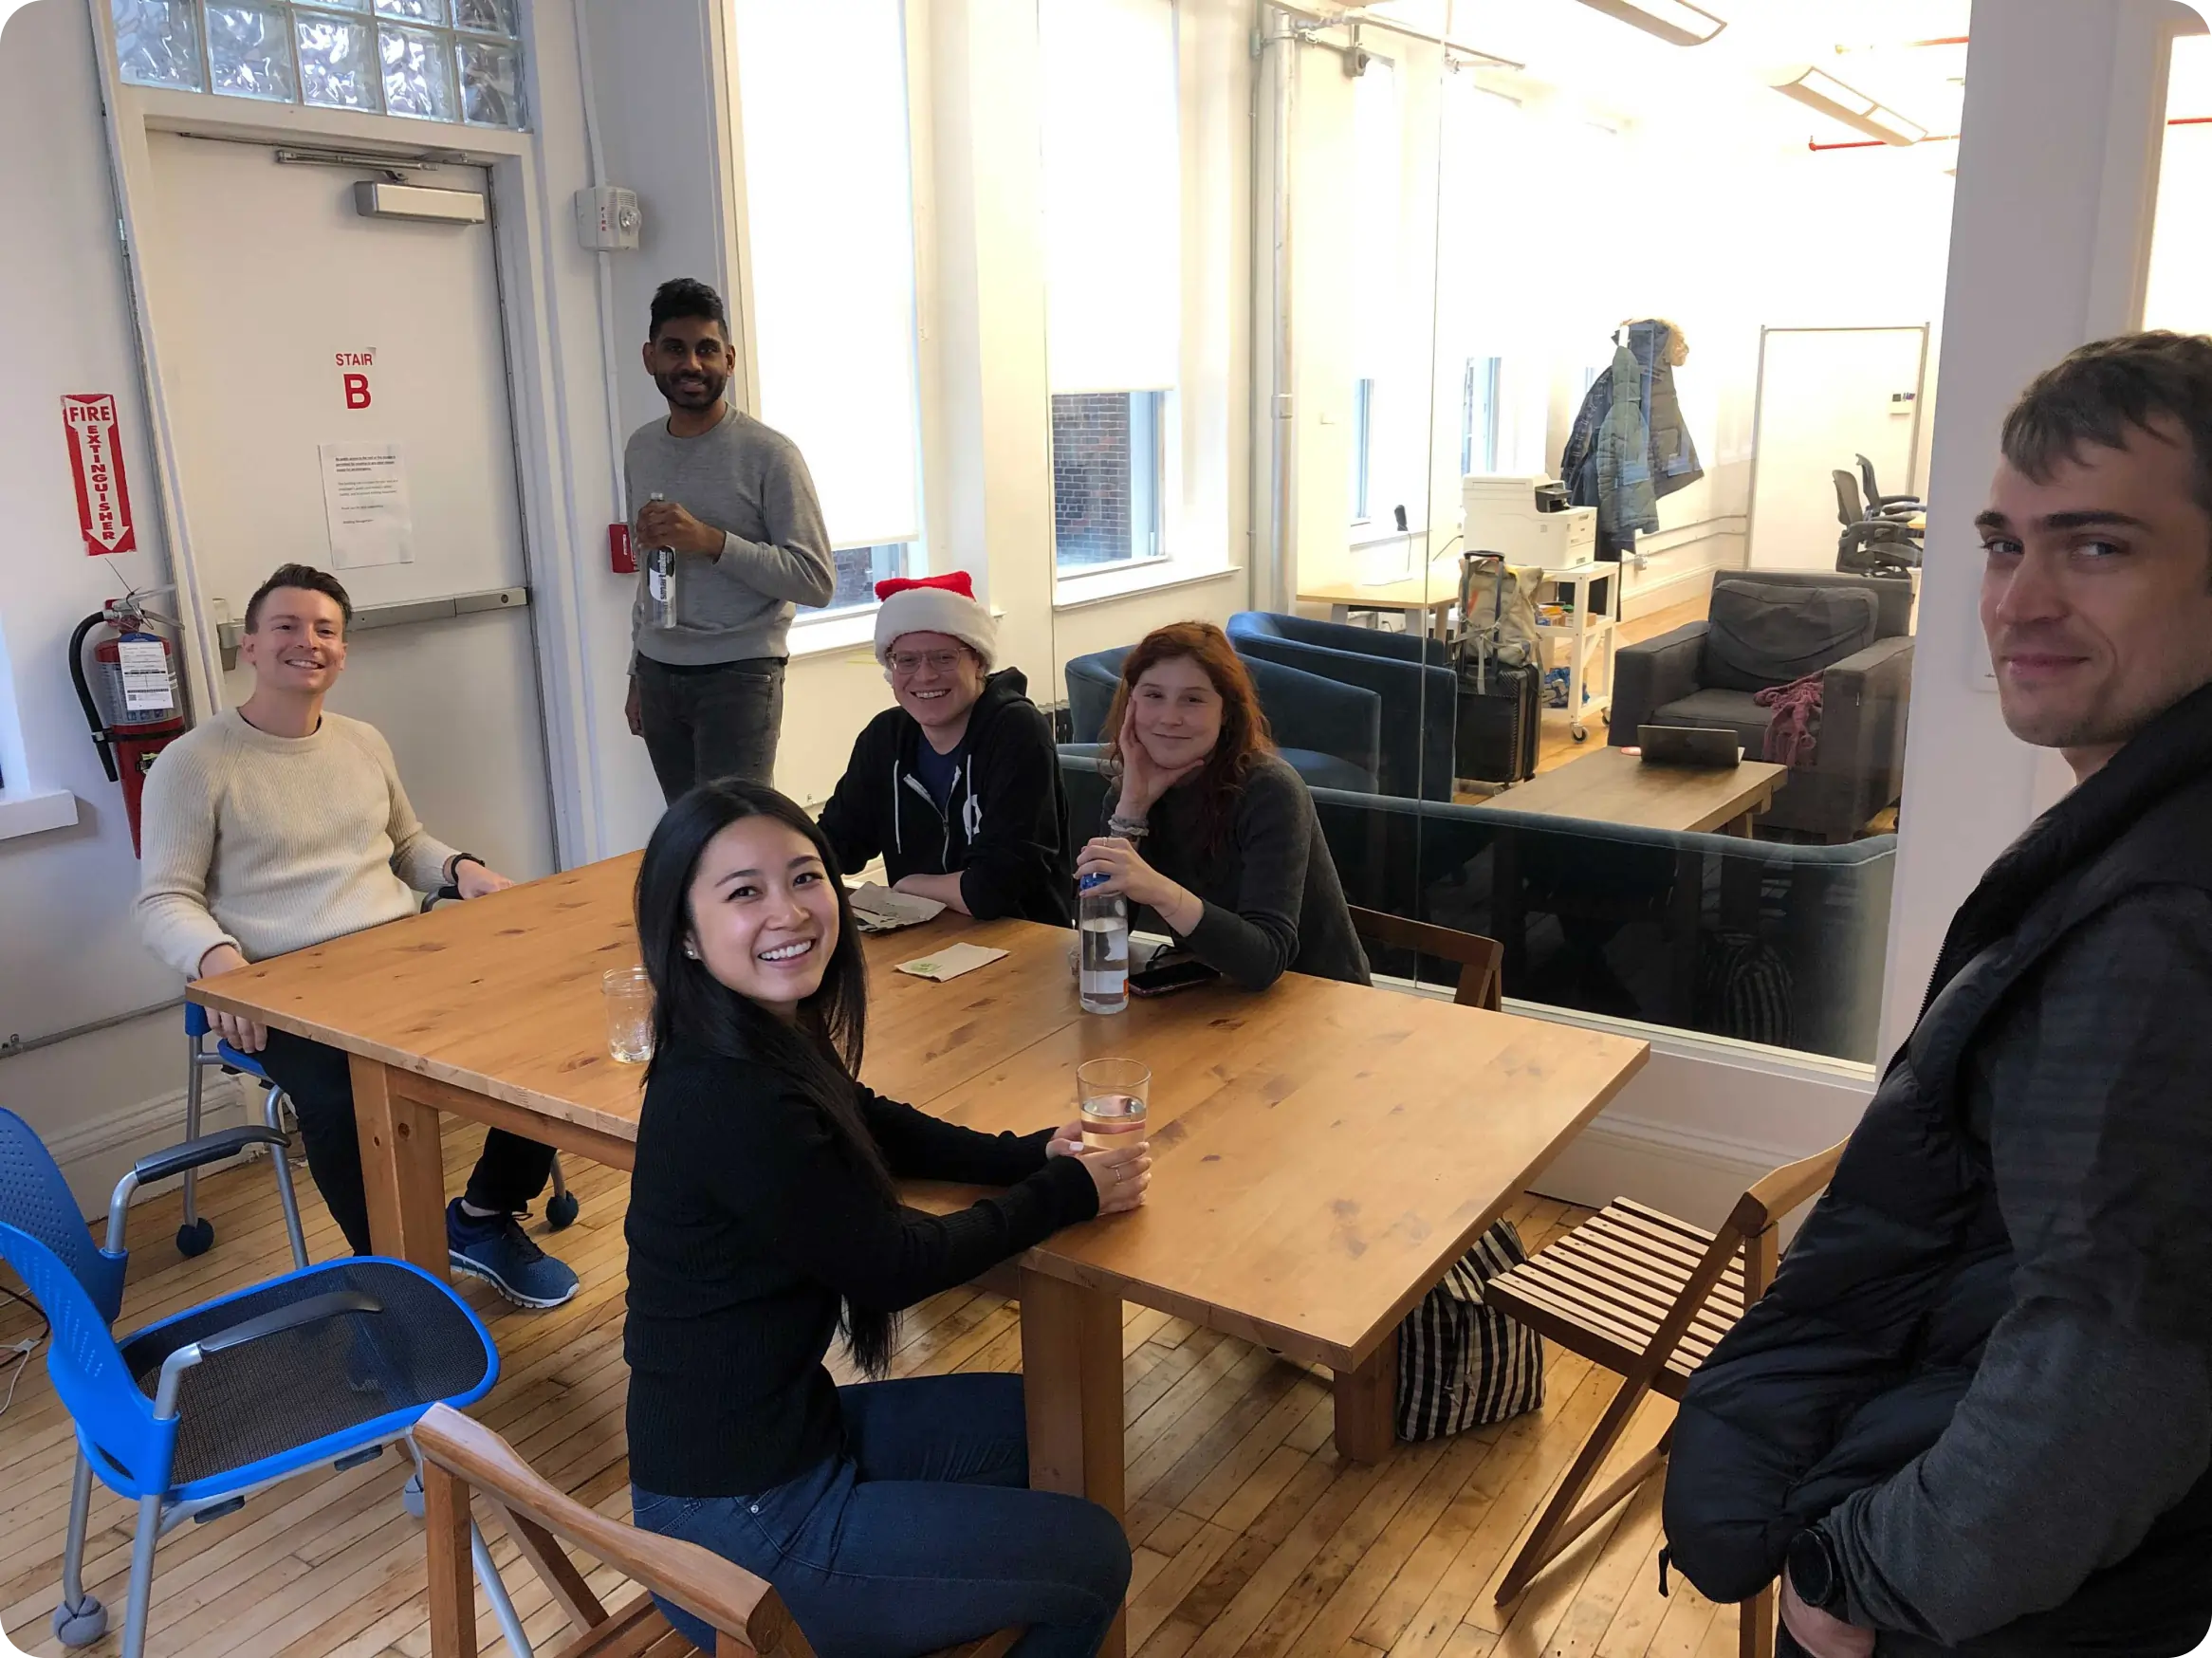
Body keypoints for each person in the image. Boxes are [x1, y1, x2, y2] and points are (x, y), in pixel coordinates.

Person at [1663, 332, 2212, 1658]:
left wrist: (1857, 1585)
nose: (2017, 600)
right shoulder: (2141, 841)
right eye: (2004, 544)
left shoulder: (2163, 923)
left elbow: (2118, 1364)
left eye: (2096, 547)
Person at [622, 780, 1144, 1656]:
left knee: (1056, 1419)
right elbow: (891, 1263)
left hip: (783, 1449)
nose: (788, 911)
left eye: (804, 877)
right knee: (1091, 1558)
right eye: (743, 892)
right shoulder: (726, 1093)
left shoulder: (759, 1031)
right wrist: (1069, 1193)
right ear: (686, 935)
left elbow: (866, 1116)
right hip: (739, 1528)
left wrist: (1024, 1154)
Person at [136, 563, 578, 1308]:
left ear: (342, 652)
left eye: (325, 631)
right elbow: (162, 900)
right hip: (281, 986)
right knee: (346, 1103)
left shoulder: (361, 741)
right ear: (249, 645)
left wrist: (463, 868)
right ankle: (398, 1279)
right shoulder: (194, 763)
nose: (306, 642)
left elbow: (407, 845)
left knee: (536, 1035)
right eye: (285, 626)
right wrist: (219, 962)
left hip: (399, 956)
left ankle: (484, 1217)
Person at [624, 277, 836, 800]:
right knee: (685, 831)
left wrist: (711, 541)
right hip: (659, 671)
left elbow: (816, 580)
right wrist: (637, 667)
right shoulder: (641, 447)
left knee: (736, 834)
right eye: (675, 349)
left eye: (706, 350)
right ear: (650, 357)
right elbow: (650, 566)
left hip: (739, 674)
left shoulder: (770, 455)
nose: (691, 365)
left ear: (730, 359)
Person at [1075, 622, 1369, 989]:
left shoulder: (1270, 789)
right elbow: (1097, 951)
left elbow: (1265, 961)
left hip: (1320, 1002)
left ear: (1226, 712)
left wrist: (1157, 889)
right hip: (1214, 996)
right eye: (1153, 695)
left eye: (1193, 699)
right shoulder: (1128, 792)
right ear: (1130, 704)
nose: (1169, 717)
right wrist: (1132, 809)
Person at [816, 570, 1073, 925]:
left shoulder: (1015, 730)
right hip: (923, 936)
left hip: (1023, 939)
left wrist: (908, 886)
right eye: (906, 660)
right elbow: (835, 845)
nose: (924, 676)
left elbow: (996, 887)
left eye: (943, 657)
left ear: (979, 661)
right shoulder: (885, 737)